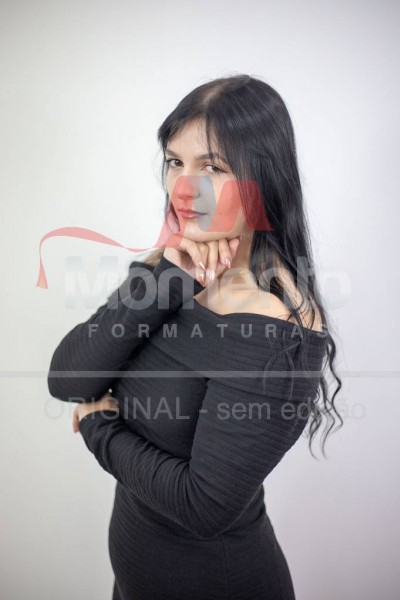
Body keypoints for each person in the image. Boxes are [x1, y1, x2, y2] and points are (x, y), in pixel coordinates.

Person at [47, 74, 342, 600]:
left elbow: (203, 507)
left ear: (263, 178)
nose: (184, 188)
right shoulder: (167, 269)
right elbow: (67, 378)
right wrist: (165, 281)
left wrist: (99, 426)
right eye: (174, 162)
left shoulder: (277, 323)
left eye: (212, 167)